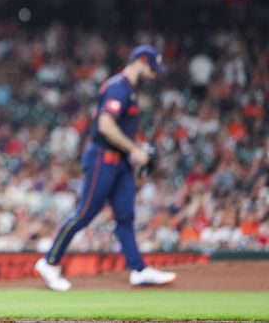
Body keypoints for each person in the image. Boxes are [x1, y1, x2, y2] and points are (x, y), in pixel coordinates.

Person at [35, 45, 177, 291]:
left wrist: (134, 148)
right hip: (103, 158)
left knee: (125, 216)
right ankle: (49, 262)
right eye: (153, 68)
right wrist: (134, 149)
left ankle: (139, 270)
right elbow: (105, 125)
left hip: (120, 161)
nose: (155, 74)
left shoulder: (129, 90)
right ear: (141, 63)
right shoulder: (118, 87)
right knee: (85, 213)